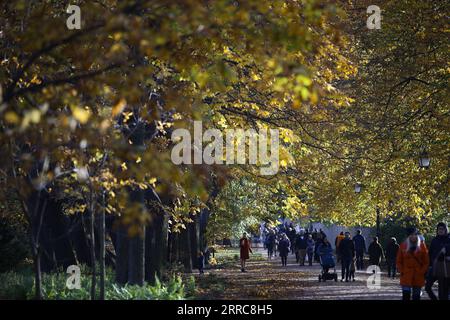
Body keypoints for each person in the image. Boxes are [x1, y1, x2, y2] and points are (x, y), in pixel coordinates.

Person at [396, 227, 429, 300]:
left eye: (415, 234)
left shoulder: (422, 246)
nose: (413, 236)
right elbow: (399, 261)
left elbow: (426, 261)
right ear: (408, 236)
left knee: (416, 296)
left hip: (418, 275)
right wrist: (402, 271)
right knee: (406, 296)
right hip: (406, 275)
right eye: (411, 235)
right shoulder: (403, 246)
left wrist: (422, 272)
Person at [426, 222, 450, 300]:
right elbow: (430, 254)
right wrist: (429, 266)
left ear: (446, 230)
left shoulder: (449, 240)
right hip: (434, 267)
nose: (440, 230)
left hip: (446, 269)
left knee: (443, 292)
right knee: (427, 287)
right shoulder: (434, 240)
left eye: (442, 229)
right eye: (439, 229)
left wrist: (446, 250)